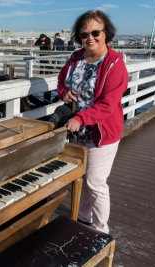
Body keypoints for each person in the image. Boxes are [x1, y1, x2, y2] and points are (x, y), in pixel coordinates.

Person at [56, 10, 128, 233]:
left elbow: (108, 103)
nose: (90, 38)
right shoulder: (76, 57)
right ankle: (84, 217)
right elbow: (61, 81)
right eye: (84, 34)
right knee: (79, 177)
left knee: (95, 183)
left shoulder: (115, 64)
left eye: (95, 32)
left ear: (106, 33)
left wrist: (81, 117)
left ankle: (100, 230)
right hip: (77, 133)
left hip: (101, 133)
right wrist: (64, 93)